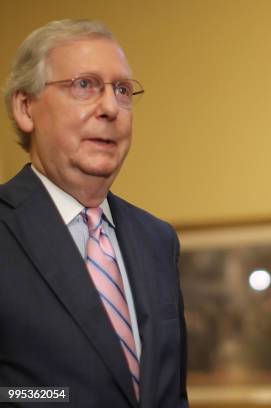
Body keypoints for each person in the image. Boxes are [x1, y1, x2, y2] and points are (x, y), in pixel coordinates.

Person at [0, 20, 188, 407]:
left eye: (121, 90)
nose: (109, 108)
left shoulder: (157, 239)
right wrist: (58, 398)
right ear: (25, 107)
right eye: (84, 85)